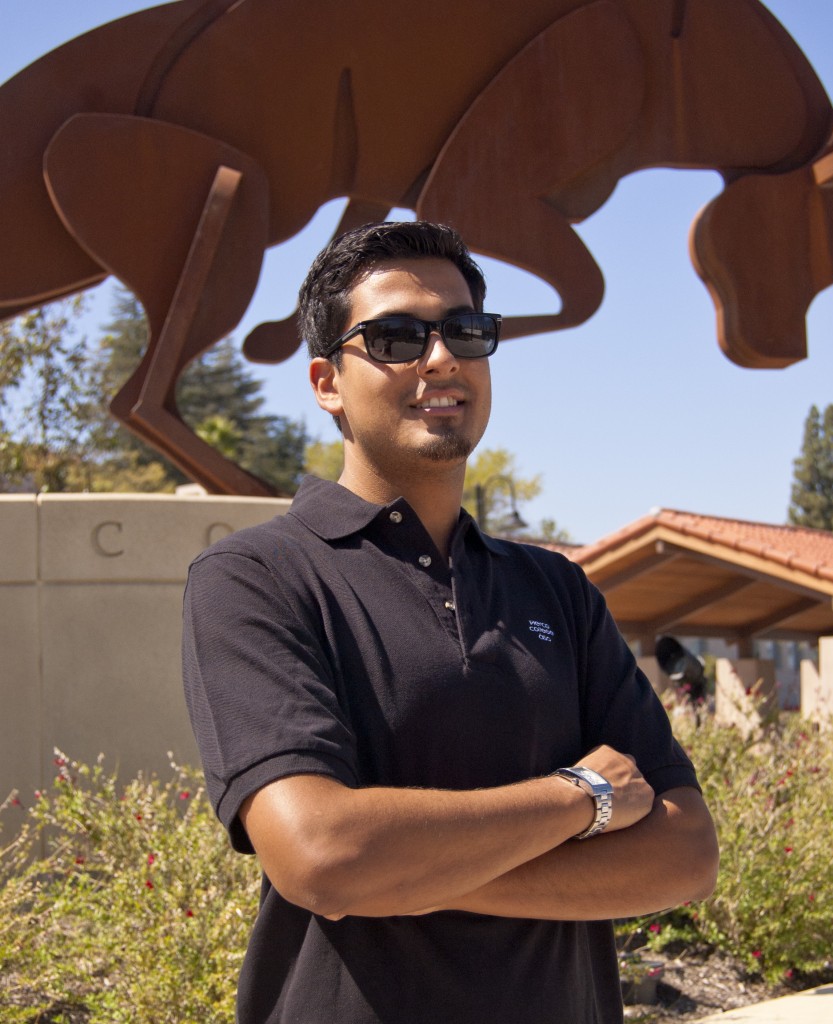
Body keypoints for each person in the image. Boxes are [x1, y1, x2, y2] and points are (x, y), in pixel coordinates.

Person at [182, 221, 719, 1024]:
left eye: (466, 331)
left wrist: (406, 877)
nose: (442, 358)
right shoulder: (256, 577)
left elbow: (684, 853)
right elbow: (324, 855)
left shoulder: (556, 590)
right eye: (397, 336)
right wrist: (584, 797)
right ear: (328, 381)